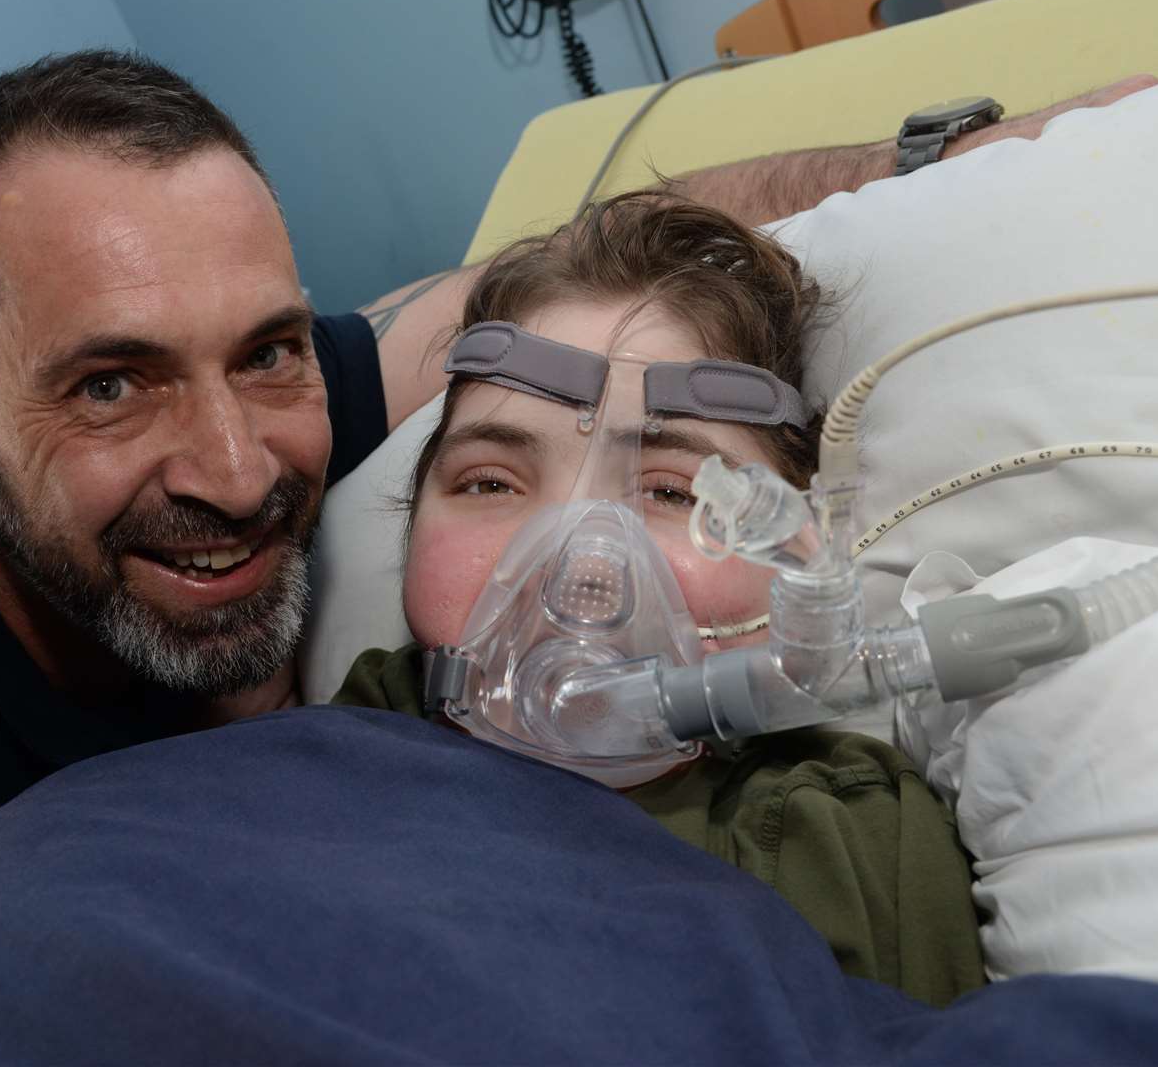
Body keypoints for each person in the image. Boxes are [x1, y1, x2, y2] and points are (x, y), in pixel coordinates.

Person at [0, 42, 1146, 1063]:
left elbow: (505, 302)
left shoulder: (842, 827)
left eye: (271, 352)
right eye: (110, 386)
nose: (239, 474)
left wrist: (950, 158)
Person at [331, 191, 983, 1005]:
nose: (577, 566)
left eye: (674, 495)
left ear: (794, 567)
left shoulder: (848, 840)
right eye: (491, 481)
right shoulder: (310, 774)